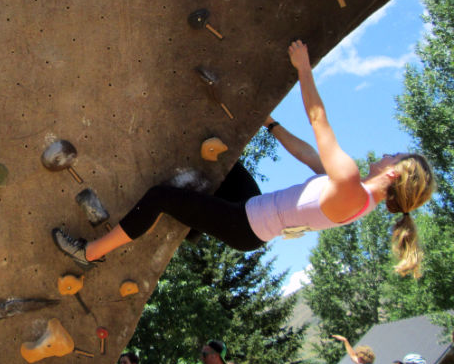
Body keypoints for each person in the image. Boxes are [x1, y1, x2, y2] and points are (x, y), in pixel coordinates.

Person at [52, 40, 435, 279]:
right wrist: (267, 122)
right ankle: (196, 227)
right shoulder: (354, 194)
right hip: (251, 209)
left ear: (396, 173)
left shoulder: (352, 185)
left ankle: (89, 253)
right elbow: (307, 154)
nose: (386, 153)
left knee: (159, 197)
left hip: (244, 225)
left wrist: (304, 69)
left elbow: (319, 120)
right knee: (225, 166)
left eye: (394, 156)